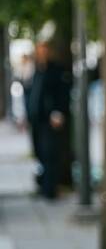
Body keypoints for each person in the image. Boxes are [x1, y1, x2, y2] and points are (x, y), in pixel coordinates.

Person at [24, 42, 71, 200]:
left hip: (49, 119)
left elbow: (62, 93)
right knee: (40, 152)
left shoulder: (56, 70)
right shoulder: (35, 70)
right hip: (36, 119)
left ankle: (50, 190)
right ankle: (44, 186)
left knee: (50, 152)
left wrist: (58, 112)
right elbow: (30, 94)